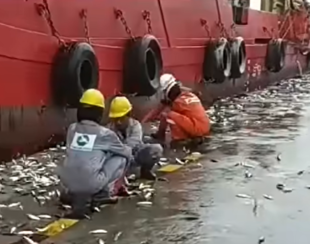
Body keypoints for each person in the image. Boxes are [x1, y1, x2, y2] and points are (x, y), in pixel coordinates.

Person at [57, 88, 132, 217]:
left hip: (67, 183)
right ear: (100, 113)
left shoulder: (72, 128)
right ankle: (100, 194)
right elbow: (127, 153)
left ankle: (73, 193)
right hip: (90, 185)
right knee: (120, 158)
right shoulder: (106, 134)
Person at [141, 74, 210, 148]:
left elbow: (160, 112)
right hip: (205, 127)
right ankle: (191, 137)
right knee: (176, 117)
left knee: (168, 115)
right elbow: (160, 107)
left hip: (197, 129)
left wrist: (142, 123)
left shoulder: (177, 103)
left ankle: (180, 140)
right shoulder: (188, 95)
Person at [108, 95, 163, 180]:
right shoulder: (108, 130)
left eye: (121, 118)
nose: (118, 122)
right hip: (118, 160)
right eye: (116, 119)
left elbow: (132, 144)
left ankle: (145, 171)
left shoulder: (135, 126)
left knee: (156, 149)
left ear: (128, 115)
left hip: (134, 156)